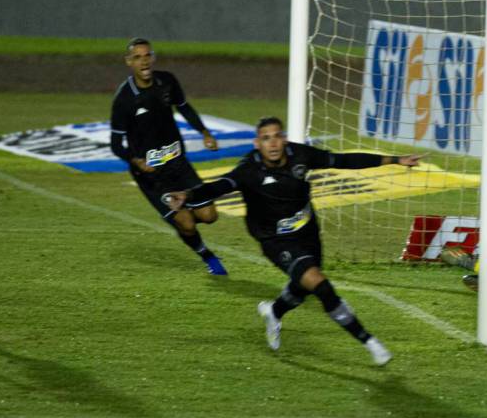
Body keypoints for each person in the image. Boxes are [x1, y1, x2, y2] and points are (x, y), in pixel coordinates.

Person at [165, 117, 420, 365]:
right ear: (257, 144)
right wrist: (187, 195)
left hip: (307, 232)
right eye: (266, 139)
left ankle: (274, 311)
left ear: (284, 139)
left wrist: (396, 160)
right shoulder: (249, 171)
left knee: (302, 289)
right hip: (275, 240)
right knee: (319, 284)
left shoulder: (301, 155)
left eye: (277, 136)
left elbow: (343, 160)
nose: (273, 143)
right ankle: (370, 343)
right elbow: (219, 186)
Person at [110, 37, 227, 275]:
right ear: (128, 62)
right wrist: (136, 160)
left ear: (152, 58)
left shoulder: (167, 81)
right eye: (137, 57)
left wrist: (204, 132)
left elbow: (184, 107)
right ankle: (207, 255)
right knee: (185, 221)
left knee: (209, 215)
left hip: (178, 164)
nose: (144, 62)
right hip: (152, 175)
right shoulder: (124, 99)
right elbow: (115, 143)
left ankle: (179, 218)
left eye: (147, 56)